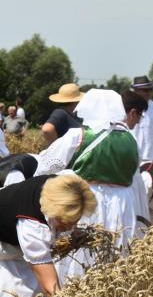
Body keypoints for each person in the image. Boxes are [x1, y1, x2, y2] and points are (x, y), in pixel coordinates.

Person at [34, 89, 147, 282]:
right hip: (122, 206)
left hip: (88, 202)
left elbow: (45, 166)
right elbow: (135, 177)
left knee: (81, 253)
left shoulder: (78, 136)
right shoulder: (131, 139)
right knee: (115, 254)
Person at [129, 76, 153, 165]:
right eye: (145, 90)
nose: (149, 93)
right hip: (134, 159)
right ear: (136, 90)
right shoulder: (127, 106)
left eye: (150, 90)